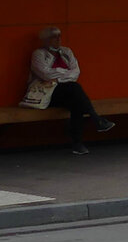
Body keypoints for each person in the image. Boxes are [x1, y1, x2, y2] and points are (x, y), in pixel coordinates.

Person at [28, 27, 114, 155]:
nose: (58, 39)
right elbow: (45, 74)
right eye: (54, 37)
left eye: (59, 36)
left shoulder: (66, 52)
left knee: (76, 102)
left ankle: (78, 143)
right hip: (46, 94)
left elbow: (76, 72)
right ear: (45, 40)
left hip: (67, 92)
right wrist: (64, 74)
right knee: (74, 89)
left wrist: (58, 77)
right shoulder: (39, 54)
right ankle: (95, 120)